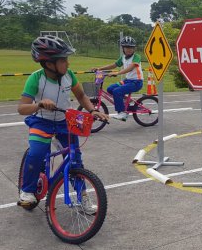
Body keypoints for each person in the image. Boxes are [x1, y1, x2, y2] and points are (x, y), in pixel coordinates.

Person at [17, 35, 108, 209]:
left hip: (64, 122)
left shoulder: (69, 75)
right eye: (64, 60)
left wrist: (93, 110)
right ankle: (27, 191)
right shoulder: (36, 78)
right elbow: (22, 108)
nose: (68, 63)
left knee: (75, 160)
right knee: (36, 153)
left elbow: (80, 95)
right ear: (49, 64)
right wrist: (39, 104)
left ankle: (82, 197)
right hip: (41, 121)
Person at [93, 36, 144, 120]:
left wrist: (117, 73)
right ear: (123, 48)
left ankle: (122, 113)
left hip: (136, 82)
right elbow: (114, 65)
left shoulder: (136, 57)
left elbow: (130, 68)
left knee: (117, 91)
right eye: (126, 47)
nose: (129, 49)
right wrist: (100, 68)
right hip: (127, 81)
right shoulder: (123, 57)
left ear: (134, 48)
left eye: (131, 47)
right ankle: (128, 100)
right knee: (110, 89)